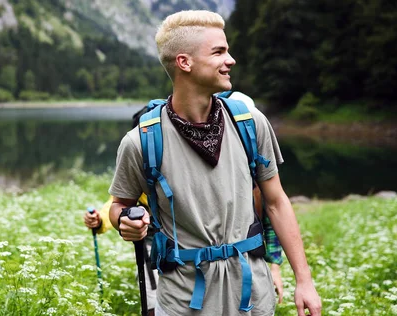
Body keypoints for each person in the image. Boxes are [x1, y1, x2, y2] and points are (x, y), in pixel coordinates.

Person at [108, 10, 321, 316]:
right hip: (183, 303)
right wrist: (124, 221)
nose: (230, 60)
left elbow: (276, 202)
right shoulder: (141, 141)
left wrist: (304, 280)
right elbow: (119, 205)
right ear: (185, 62)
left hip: (253, 297)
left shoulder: (250, 122)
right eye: (219, 52)